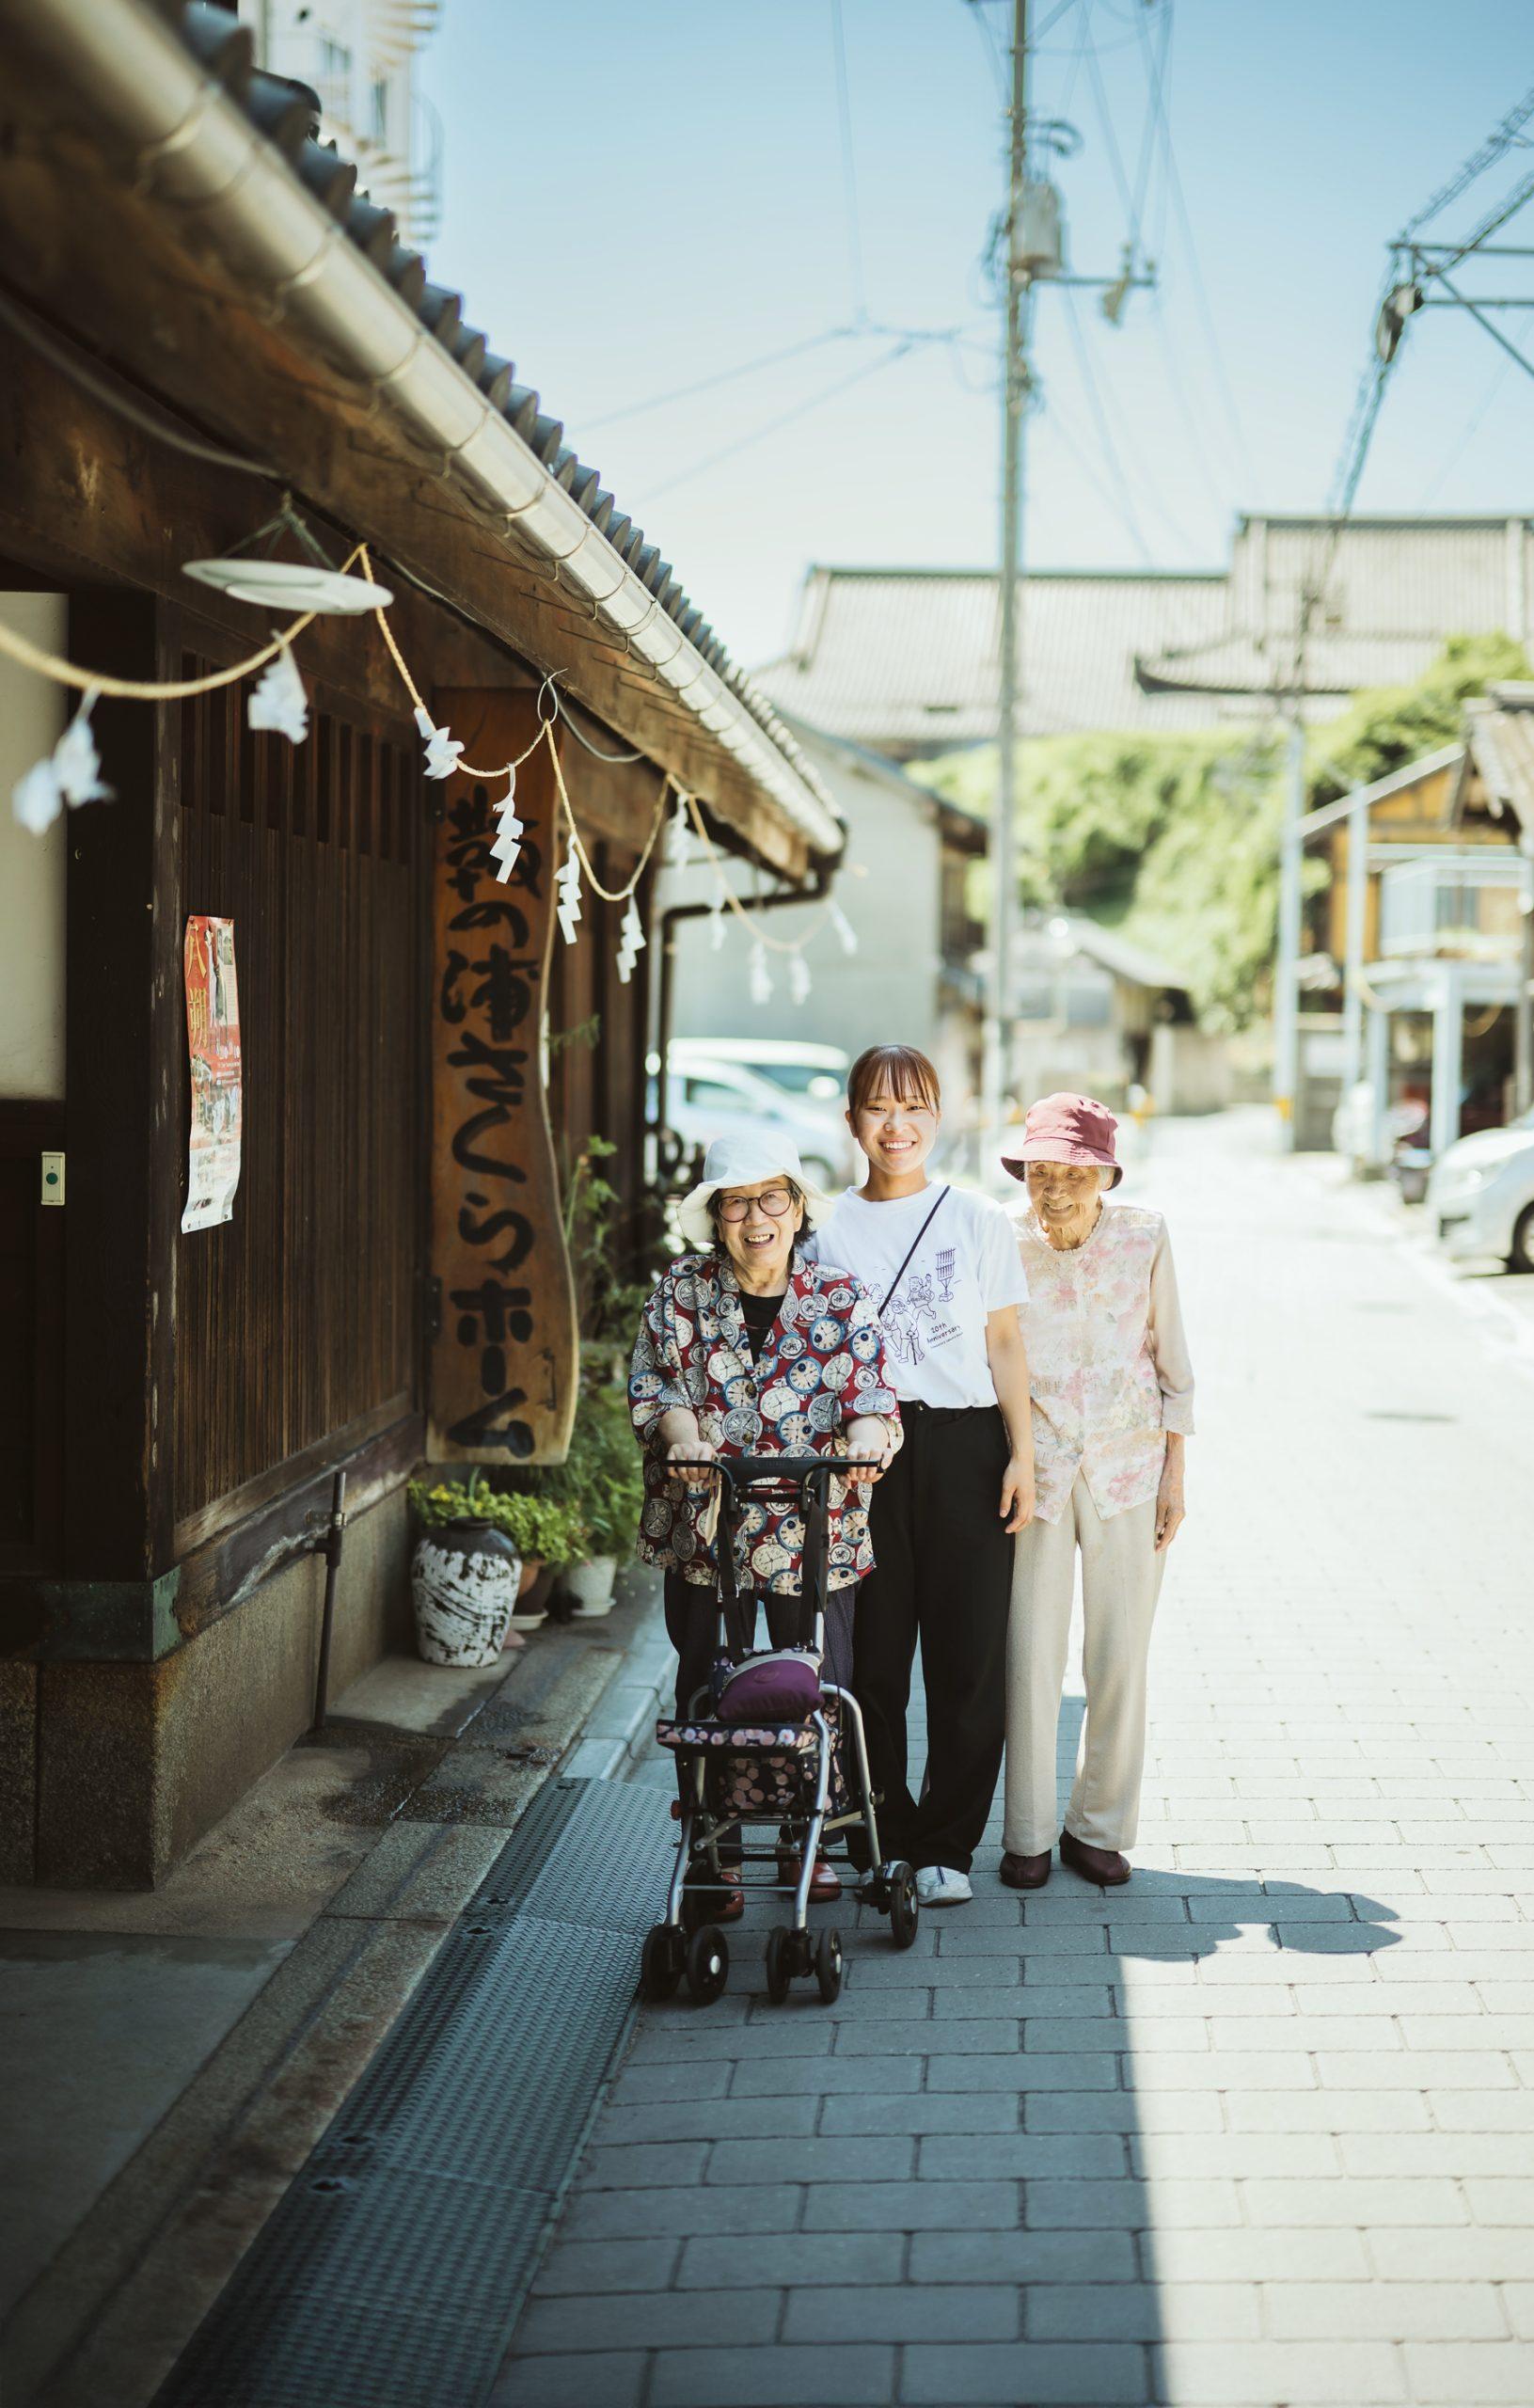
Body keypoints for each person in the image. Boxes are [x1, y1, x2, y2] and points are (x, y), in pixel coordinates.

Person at [628, 1133, 900, 1917]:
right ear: (716, 1217)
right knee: (706, 1685)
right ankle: (715, 1849)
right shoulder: (678, 1292)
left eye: (771, 1198)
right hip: (707, 1527)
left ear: (797, 1208)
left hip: (812, 1533)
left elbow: (872, 1402)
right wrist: (680, 1437)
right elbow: (656, 1384)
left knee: (815, 1682)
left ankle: (799, 1843)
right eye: (737, 1202)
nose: (756, 1217)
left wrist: (864, 1441)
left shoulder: (840, 1299)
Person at [815, 1045, 1035, 1909]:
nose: (895, 1126)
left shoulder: (977, 1218)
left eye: (913, 1108)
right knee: (873, 1661)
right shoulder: (827, 1229)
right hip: (867, 1456)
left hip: (965, 1445)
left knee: (966, 1657)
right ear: (852, 1123)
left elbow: (1005, 1343)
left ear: (939, 1118)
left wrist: (1021, 1452)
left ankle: (947, 1846)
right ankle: (883, 1835)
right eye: (877, 1108)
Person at [998, 1092, 1194, 1891]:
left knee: (1119, 1656)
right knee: (1028, 1654)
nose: (1054, 1188)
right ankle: (1027, 1834)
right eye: (1040, 1170)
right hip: (1034, 1468)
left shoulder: (1145, 1234)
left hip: (1126, 1466)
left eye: (1073, 1171)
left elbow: (1171, 1357)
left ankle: (1099, 1828)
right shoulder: (1000, 1240)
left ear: (1104, 1174)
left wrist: (1175, 1474)